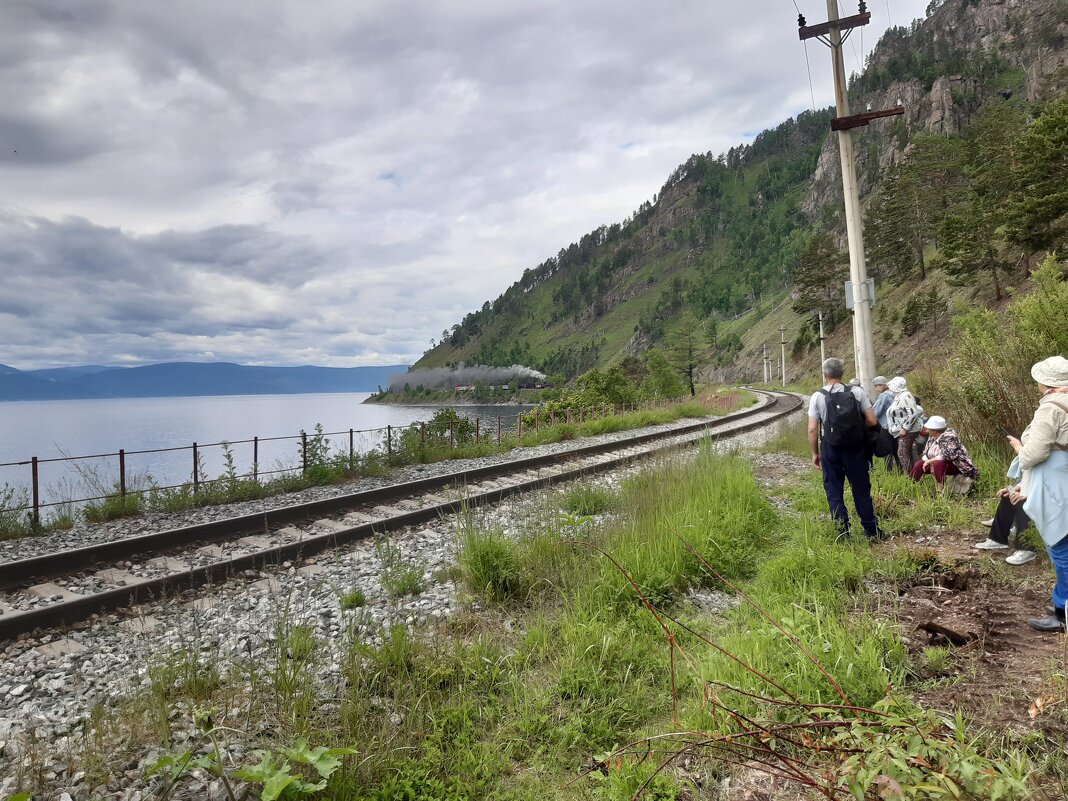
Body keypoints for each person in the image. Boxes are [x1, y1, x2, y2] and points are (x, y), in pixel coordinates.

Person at [1002, 356, 1068, 633]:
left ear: (1044, 382)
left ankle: (1063, 611)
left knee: (1060, 544)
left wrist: (1018, 446)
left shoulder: (1050, 409)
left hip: (1057, 483)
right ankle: (1059, 602)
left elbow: (1034, 454)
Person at [807, 357, 884, 540]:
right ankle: (871, 531)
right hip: (856, 447)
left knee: (834, 490)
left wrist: (815, 453)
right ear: (842, 373)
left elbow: (812, 428)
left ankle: (842, 533)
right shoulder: (857, 392)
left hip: (830, 447)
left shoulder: (817, 396)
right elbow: (873, 421)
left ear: (824, 374)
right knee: (861, 489)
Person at [974, 462, 1036, 565]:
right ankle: (998, 539)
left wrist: (1026, 493)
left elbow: (1047, 482)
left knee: (1022, 501)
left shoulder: (1048, 454)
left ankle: (1026, 550)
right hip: (1035, 488)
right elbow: (1033, 478)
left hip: (1052, 496)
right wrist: (1014, 488)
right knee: (1008, 496)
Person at [909, 416, 979, 491]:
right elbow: (925, 452)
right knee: (919, 464)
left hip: (957, 465)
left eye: (929, 428)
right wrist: (927, 461)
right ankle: (910, 485)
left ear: (934, 431)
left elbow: (949, 456)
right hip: (937, 464)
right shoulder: (932, 437)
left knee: (938, 463)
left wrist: (931, 461)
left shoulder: (950, 437)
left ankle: (940, 490)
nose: (927, 430)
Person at [886, 376, 924, 475]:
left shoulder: (905, 395)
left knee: (902, 453)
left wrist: (905, 428)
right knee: (907, 452)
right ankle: (914, 474)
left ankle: (910, 475)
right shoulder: (898, 396)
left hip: (908, 430)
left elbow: (913, 413)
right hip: (900, 430)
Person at [871, 376, 898, 471]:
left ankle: (889, 470)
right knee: (896, 449)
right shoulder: (894, 394)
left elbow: (876, 412)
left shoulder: (884, 396)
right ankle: (901, 470)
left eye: (876, 386)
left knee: (887, 448)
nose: (875, 388)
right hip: (896, 426)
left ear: (881, 385)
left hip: (886, 426)